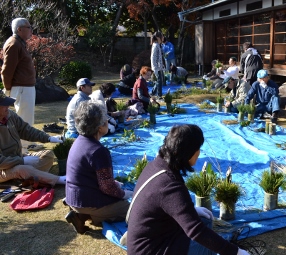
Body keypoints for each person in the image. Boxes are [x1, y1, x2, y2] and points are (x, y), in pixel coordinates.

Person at [126, 124, 249, 255]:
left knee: (206, 221)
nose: (199, 153)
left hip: (149, 240)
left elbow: (163, 204)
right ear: (190, 152)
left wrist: (192, 210)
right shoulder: (169, 185)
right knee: (206, 243)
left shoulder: (157, 165)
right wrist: (237, 252)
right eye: (198, 148)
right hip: (150, 250)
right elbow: (196, 231)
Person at [65, 101, 133, 234]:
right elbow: (107, 187)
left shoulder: (79, 141)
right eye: (106, 120)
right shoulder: (98, 151)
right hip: (87, 201)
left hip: (73, 198)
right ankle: (87, 215)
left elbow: (94, 178)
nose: (108, 121)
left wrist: (113, 183)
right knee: (136, 209)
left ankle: (82, 215)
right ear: (99, 128)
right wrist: (124, 194)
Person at [0, 91, 65, 186]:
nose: (8, 107)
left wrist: (49, 138)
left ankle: (28, 176)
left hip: (18, 158)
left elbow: (26, 130)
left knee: (48, 155)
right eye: (4, 105)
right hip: (3, 169)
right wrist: (22, 161)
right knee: (23, 169)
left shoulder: (10, 115)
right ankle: (59, 180)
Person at [1, 18, 35, 126]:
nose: (31, 30)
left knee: (26, 119)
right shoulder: (14, 44)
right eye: (29, 27)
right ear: (19, 29)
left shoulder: (19, 43)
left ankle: (25, 143)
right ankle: (25, 143)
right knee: (24, 121)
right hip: (21, 88)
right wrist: (7, 89)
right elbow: (7, 70)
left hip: (24, 88)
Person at [150, 31, 165, 99]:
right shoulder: (155, 45)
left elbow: (159, 57)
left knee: (159, 81)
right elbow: (153, 57)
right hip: (157, 67)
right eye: (162, 36)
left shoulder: (158, 45)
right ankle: (159, 96)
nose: (163, 38)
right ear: (158, 37)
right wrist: (155, 68)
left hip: (159, 67)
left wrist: (162, 66)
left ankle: (153, 92)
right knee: (159, 81)